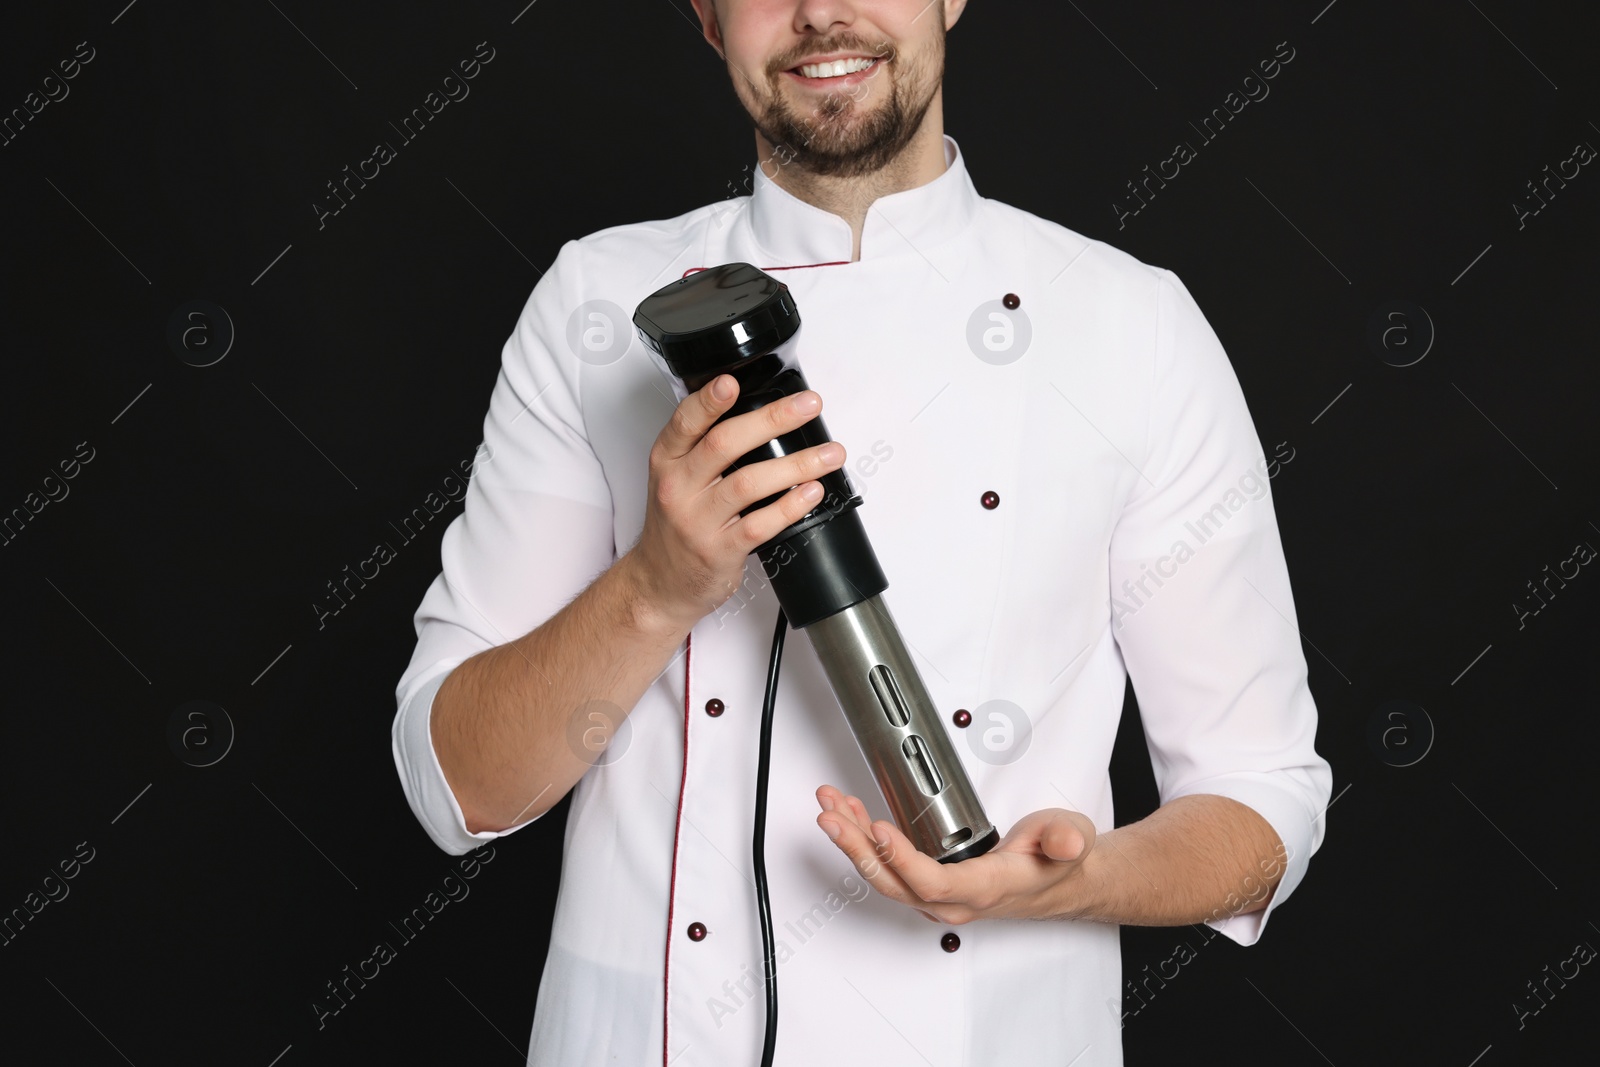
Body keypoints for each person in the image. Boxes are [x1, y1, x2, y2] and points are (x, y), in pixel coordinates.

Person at [390, 1, 1333, 1063]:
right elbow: (453, 785)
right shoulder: (593, 304)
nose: (820, 13)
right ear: (705, 16)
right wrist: (655, 584)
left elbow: (1262, 803)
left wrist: (1076, 879)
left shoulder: (1131, 325)